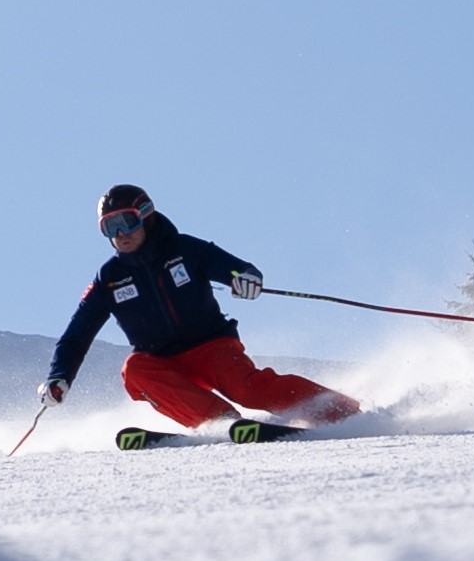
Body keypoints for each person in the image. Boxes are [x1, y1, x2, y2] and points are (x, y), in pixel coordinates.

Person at [37, 184, 361, 429]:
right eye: (109, 227)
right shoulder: (109, 278)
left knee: (246, 389)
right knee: (134, 371)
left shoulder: (185, 249)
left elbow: (236, 268)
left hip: (212, 347)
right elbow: (76, 336)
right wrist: (59, 376)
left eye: (126, 222)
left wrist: (245, 278)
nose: (120, 234)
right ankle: (221, 422)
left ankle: (339, 410)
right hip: (163, 361)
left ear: (146, 216)